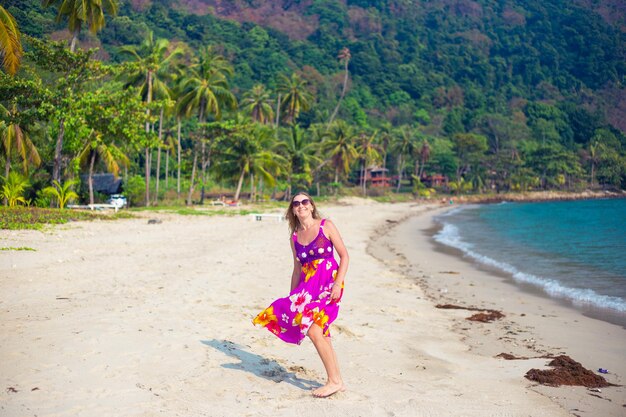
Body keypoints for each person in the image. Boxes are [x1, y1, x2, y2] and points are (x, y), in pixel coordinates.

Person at [252, 192, 349, 398]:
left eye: (305, 202)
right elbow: (297, 270)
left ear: (311, 206)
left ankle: (334, 381)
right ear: (293, 211)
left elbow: (344, 256)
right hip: (307, 289)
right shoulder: (294, 237)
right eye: (296, 204)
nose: (301, 206)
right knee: (322, 332)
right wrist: (292, 298)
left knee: (314, 331)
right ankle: (337, 379)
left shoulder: (326, 226)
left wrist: (338, 284)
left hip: (328, 285)